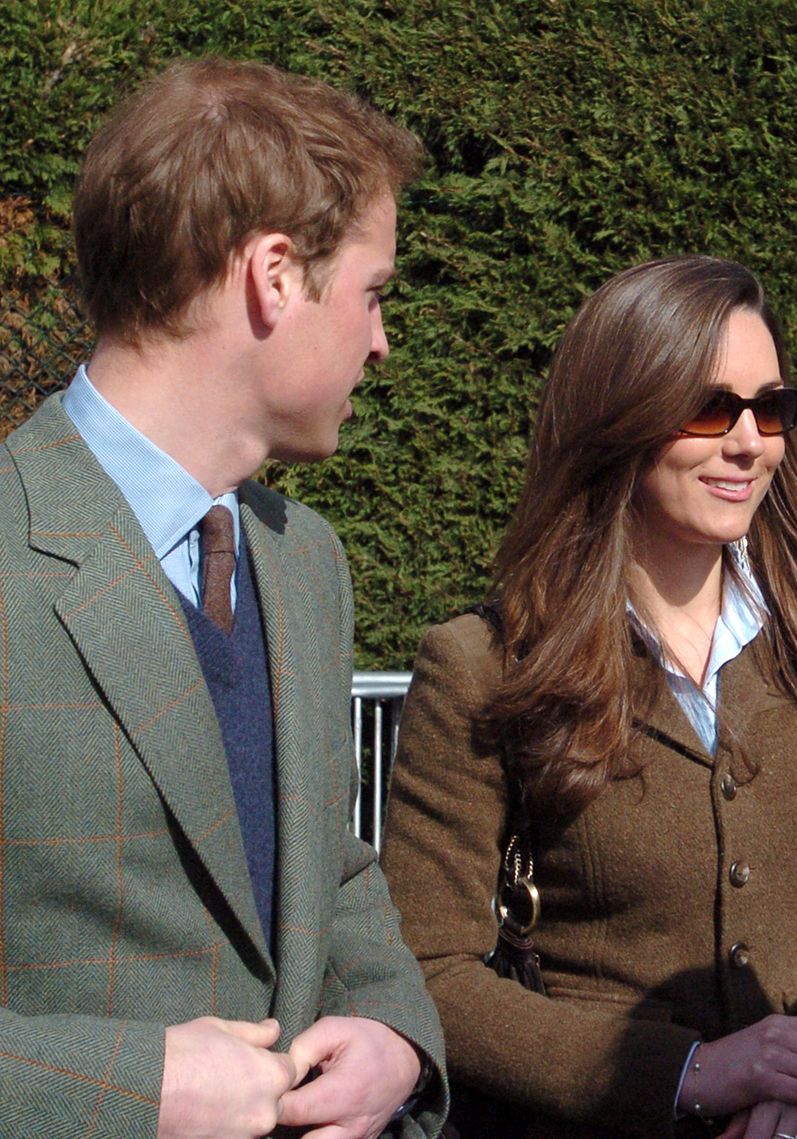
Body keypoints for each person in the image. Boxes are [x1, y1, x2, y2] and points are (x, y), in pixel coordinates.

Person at [380, 256, 797, 1139]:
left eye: (772, 407)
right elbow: (426, 969)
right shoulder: (483, 665)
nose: (749, 441)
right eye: (709, 407)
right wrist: (690, 1073)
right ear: (619, 418)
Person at [0, 57, 447, 1139]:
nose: (383, 340)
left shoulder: (305, 563)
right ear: (275, 274)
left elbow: (323, 867)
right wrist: (122, 1088)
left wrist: (396, 1034)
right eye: (373, 290)